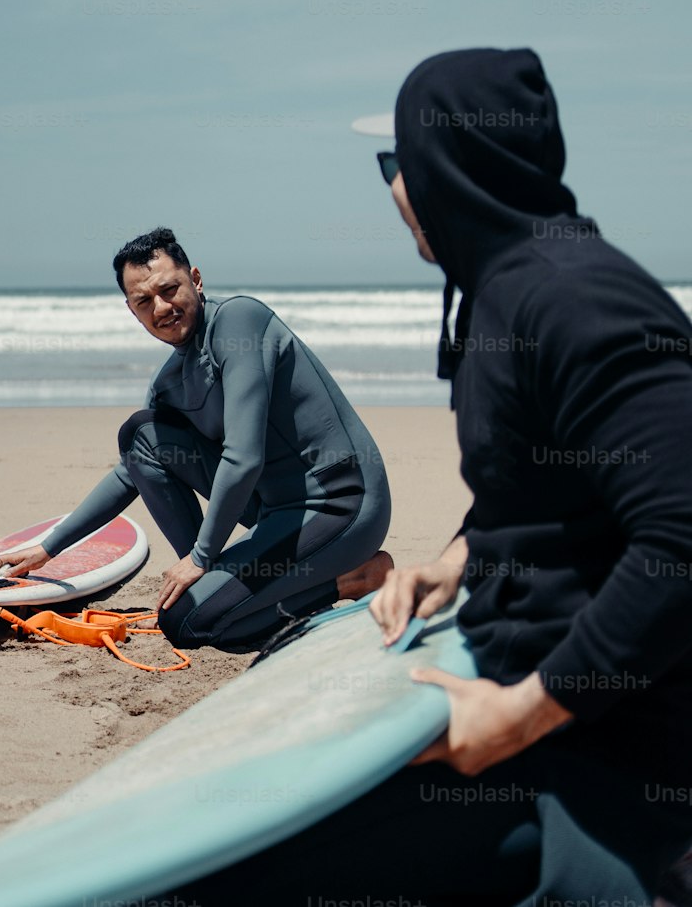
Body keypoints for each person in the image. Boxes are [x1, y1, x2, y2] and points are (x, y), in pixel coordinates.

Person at [172, 47, 692, 904]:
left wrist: (520, 714)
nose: (392, 190)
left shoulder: (576, 301)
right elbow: (535, 489)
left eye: (398, 165)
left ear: (454, 168)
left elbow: (680, 535)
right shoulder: (501, 294)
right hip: (522, 697)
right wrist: (453, 563)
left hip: (600, 752)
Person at [0, 227, 393, 651]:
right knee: (140, 434)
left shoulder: (240, 321)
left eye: (170, 289)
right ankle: (215, 584)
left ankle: (356, 578)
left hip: (339, 503)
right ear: (131, 311)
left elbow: (243, 457)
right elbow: (132, 470)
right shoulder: (168, 383)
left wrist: (201, 556)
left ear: (196, 280)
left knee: (187, 622)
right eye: (143, 301)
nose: (161, 308)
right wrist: (48, 547)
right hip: (274, 512)